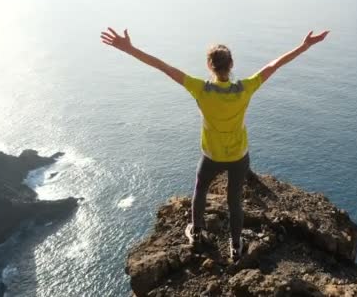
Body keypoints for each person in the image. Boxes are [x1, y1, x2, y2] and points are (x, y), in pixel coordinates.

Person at [100, 27, 329, 260]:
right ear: (231, 64)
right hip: (239, 156)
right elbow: (275, 65)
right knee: (234, 200)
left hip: (211, 156)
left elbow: (163, 67)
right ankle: (236, 246)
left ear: (210, 66)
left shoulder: (201, 89)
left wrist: (128, 49)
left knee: (200, 189)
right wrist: (305, 46)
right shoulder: (245, 88)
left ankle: (197, 232)